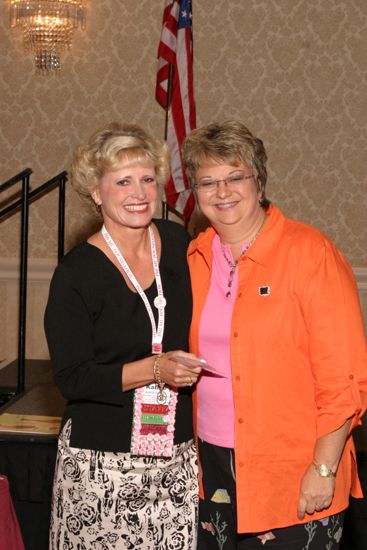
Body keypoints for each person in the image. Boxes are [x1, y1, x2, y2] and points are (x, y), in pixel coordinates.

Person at [182, 120, 367, 549]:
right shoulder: (193, 259)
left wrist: (323, 469)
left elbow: (343, 380)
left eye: (235, 177)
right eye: (208, 182)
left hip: (296, 471)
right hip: (212, 469)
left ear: (259, 182)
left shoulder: (310, 254)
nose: (222, 192)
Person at [44, 122, 203, 549]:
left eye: (148, 178)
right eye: (123, 181)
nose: (139, 192)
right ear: (97, 192)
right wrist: (155, 368)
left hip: (176, 457)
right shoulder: (77, 273)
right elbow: (73, 378)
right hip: (100, 465)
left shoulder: (177, 243)